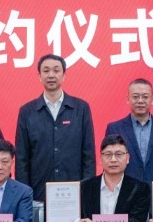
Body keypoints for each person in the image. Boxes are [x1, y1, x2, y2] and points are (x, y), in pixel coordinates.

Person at [15, 54, 95, 202]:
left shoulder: (81, 108)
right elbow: (22, 158)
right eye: (46, 71)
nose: (51, 75)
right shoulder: (27, 111)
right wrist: (25, 195)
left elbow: (88, 154)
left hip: (74, 193)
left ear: (64, 75)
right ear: (39, 76)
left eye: (56, 70)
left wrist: (86, 191)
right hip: (39, 193)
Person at [105, 78, 153, 184]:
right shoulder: (114, 128)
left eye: (145, 97)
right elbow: (108, 165)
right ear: (128, 99)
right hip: (126, 190)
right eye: (135, 97)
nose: (140, 101)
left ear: (152, 100)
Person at [74, 134, 150, 222]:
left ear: (127, 158)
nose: (113, 159)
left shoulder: (141, 189)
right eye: (108, 154)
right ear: (100, 158)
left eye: (119, 154)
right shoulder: (84, 188)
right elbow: (75, 221)